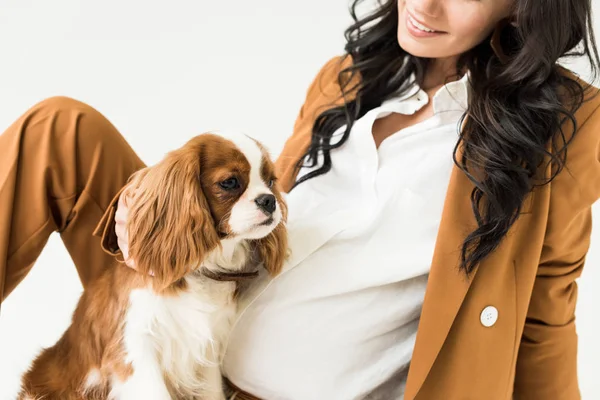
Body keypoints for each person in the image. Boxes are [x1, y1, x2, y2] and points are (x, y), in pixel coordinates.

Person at [1, 0, 599, 398]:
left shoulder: (567, 127)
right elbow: (263, 207)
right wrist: (146, 203)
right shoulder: (348, 76)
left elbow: (543, 324)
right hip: (192, 315)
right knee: (58, 131)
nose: (424, 4)